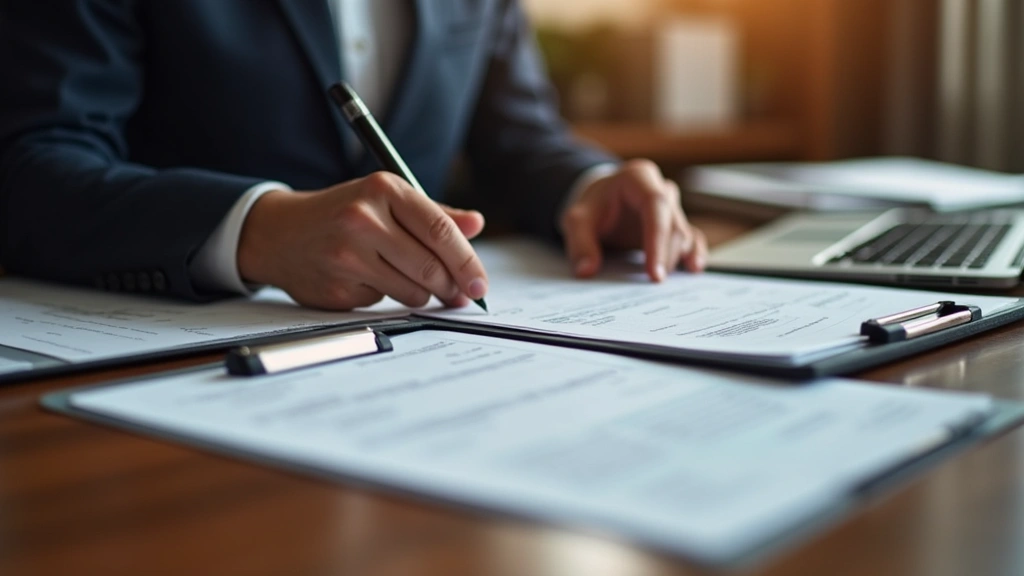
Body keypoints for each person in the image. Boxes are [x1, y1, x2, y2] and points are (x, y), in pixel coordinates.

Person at [0, 0, 706, 311]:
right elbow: (30, 163)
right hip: (172, 363)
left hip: (425, 374)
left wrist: (590, 185)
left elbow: (519, 138)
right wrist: (258, 230)